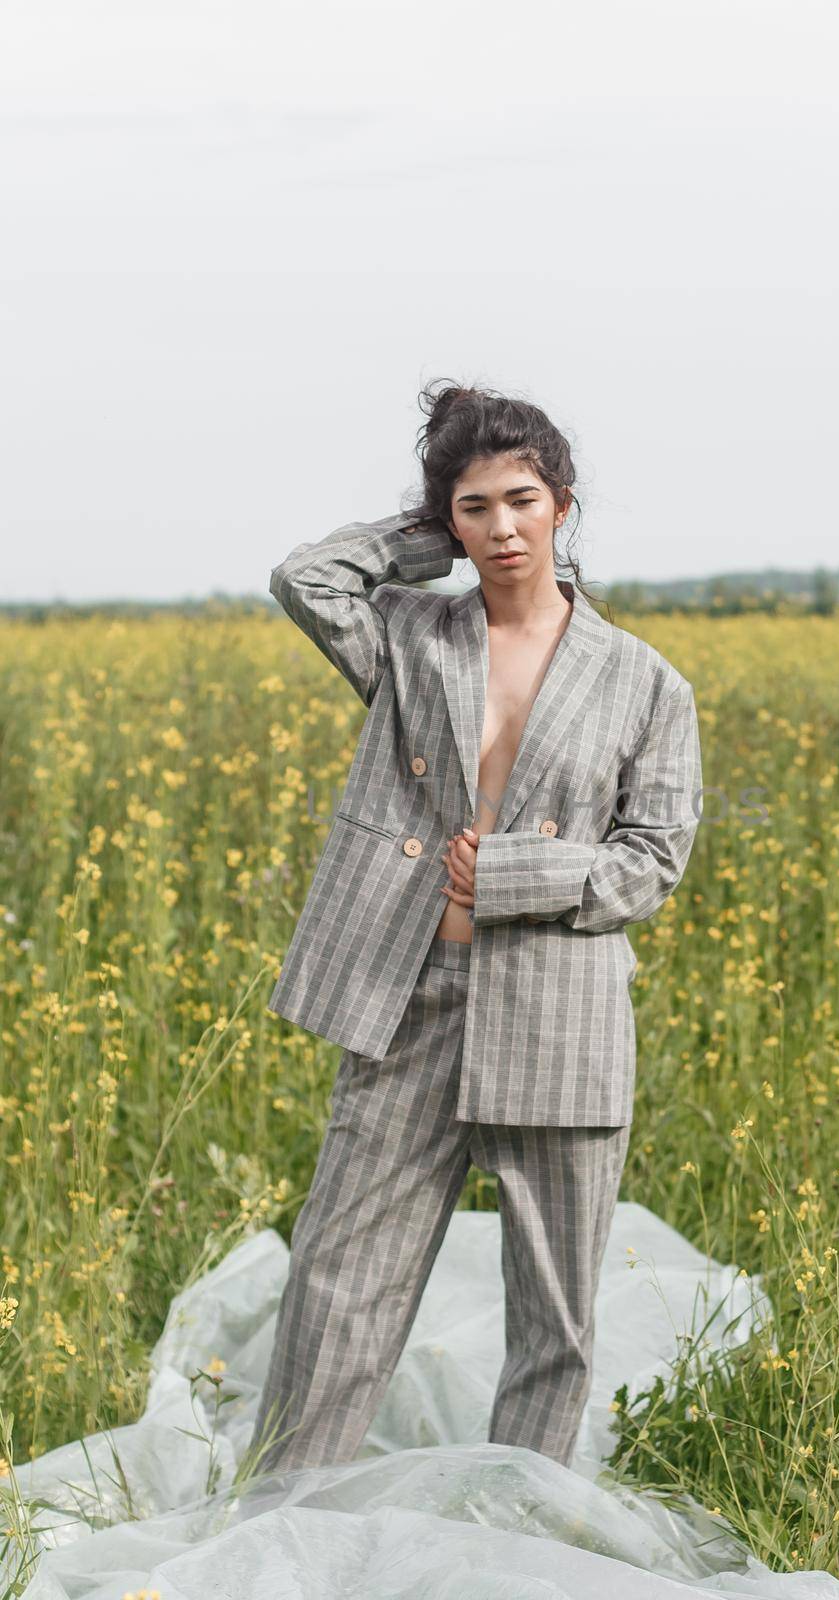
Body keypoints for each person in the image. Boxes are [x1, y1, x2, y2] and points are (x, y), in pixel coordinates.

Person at [247, 380, 703, 1475]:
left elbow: (653, 862)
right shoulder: (413, 639)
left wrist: (511, 874)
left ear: (563, 503)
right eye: (472, 507)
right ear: (445, 521)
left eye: (522, 499)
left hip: (560, 1014)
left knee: (554, 1319)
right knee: (336, 1281)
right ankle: (272, 1526)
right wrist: (417, 537)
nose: (502, 528)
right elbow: (304, 579)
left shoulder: (647, 684)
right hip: (408, 1000)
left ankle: (523, 1538)